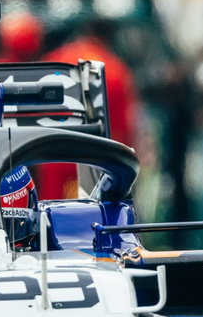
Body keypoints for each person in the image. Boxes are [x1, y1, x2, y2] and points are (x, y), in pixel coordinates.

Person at [43, 18, 141, 199]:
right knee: (94, 218)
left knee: (50, 217)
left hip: (53, 155)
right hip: (97, 159)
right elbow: (124, 129)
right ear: (108, 38)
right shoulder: (115, 69)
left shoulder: (56, 59)